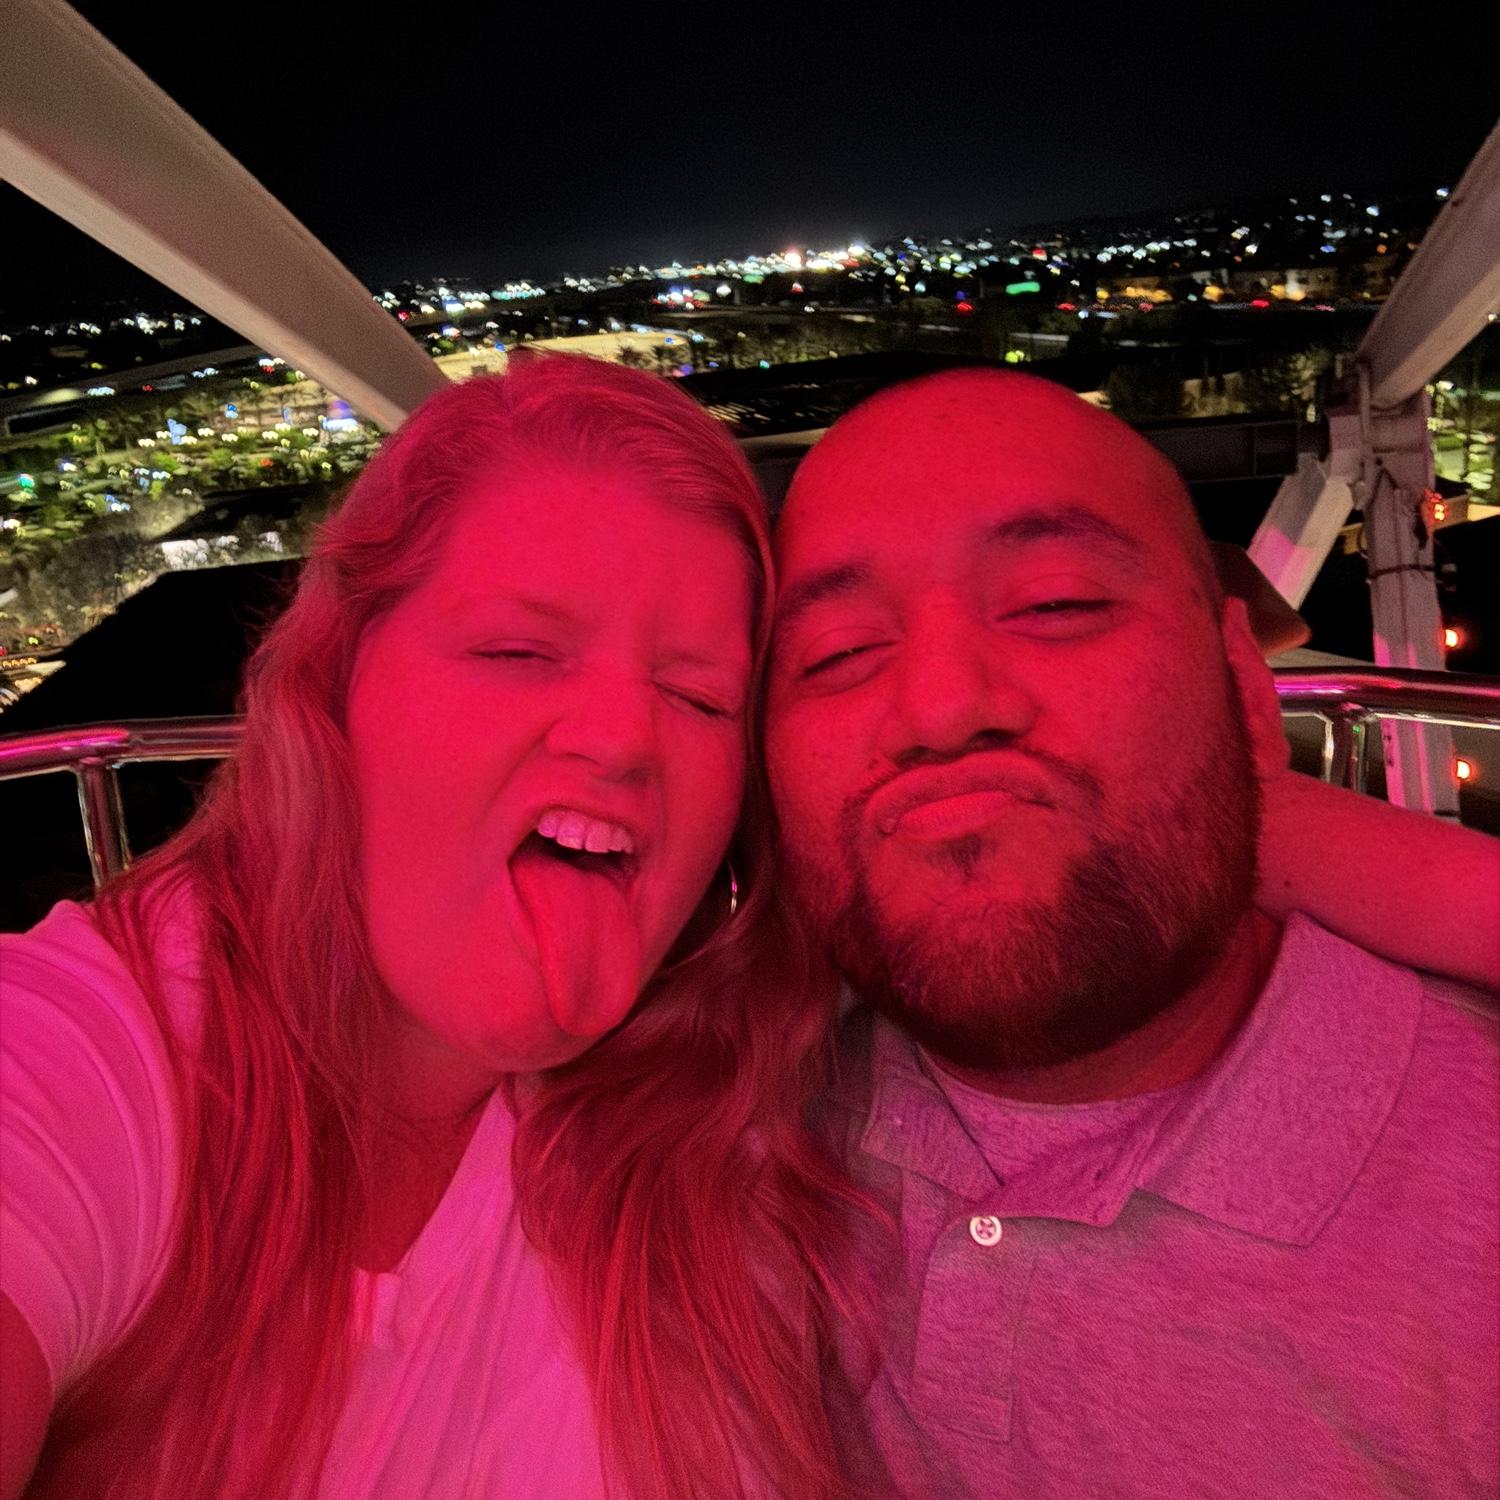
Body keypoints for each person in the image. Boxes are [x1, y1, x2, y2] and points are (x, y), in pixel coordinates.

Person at [0, 353, 857, 1500]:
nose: (621, 739)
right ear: (337, 684)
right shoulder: (101, 1056)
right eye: (517, 652)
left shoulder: (736, 1139)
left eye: (700, 695)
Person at [764, 368, 1500, 1498]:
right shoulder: (691, 1138)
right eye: (836, 655)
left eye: (1057, 602)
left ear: (1249, 694)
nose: (944, 705)